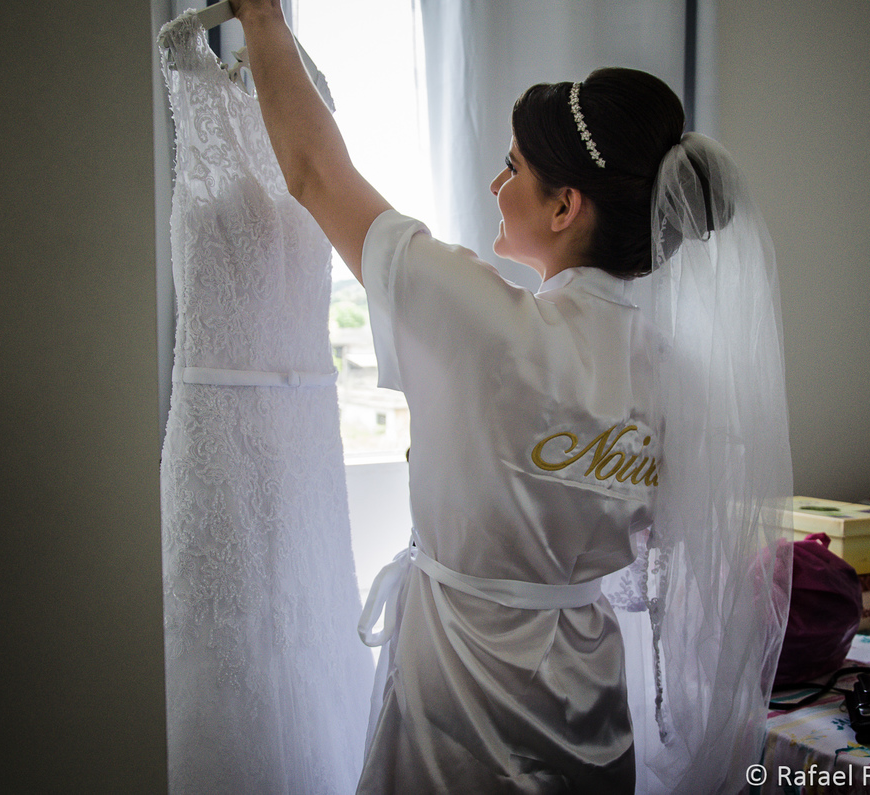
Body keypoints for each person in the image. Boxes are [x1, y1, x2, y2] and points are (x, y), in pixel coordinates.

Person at [230, 2, 792, 793]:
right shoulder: (679, 379)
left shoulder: (478, 315)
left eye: (514, 167)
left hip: (461, 682)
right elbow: (670, 554)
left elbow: (313, 173)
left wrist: (261, 22)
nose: (496, 184)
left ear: (566, 206)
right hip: (593, 697)